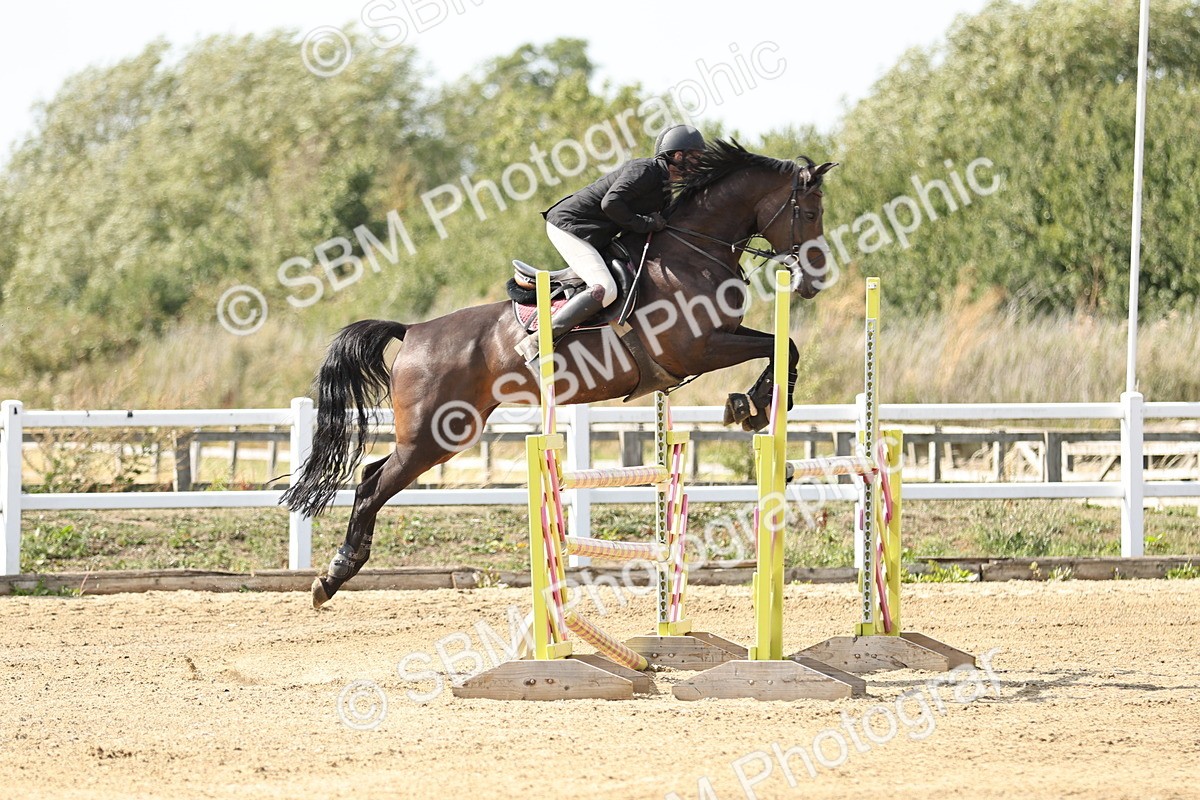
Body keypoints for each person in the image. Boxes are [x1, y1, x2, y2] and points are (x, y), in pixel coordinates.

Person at [515, 124, 706, 362]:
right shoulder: (645, 170)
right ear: (678, 155)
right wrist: (646, 223)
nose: (699, 165)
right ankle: (538, 341)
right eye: (696, 158)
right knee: (604, 288)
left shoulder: (664, 188)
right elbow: (611, 204)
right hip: (569, 225)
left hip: (594, 234)